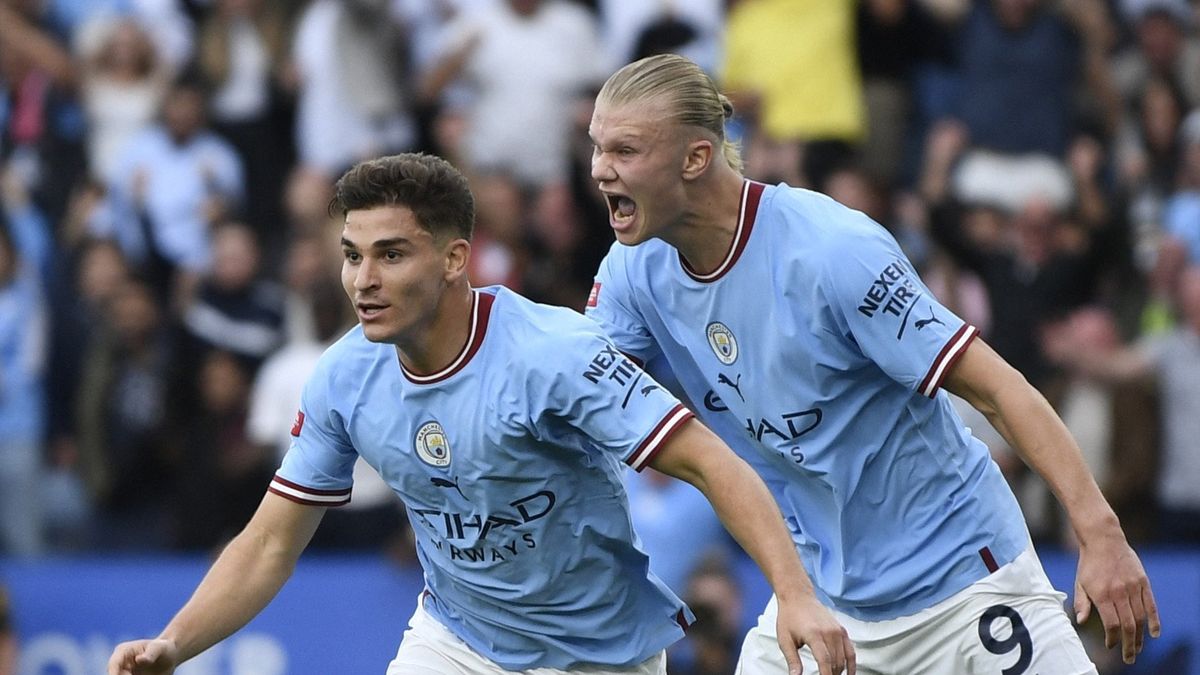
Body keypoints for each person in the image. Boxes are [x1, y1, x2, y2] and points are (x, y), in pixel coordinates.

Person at [108, 153, 853, 675]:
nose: (362, 280)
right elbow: (270, 543)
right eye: (351, 254)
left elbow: (710, 459)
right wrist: (176, 643)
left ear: (455, 259)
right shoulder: (341, 375)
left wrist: (794, 594)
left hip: (597, 655)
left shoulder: (554, 353)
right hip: (455, 643)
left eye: (391, 254)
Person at [584, 54, 1160, 674]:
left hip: (964, 584)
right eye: (596, 147)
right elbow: (578, 406)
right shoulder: (632, 269)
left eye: (624, 151)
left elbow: (998, 389)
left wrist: (1100, 533)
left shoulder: (832, 250)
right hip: (824, 603)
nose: (598, 170)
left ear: (696, 158)